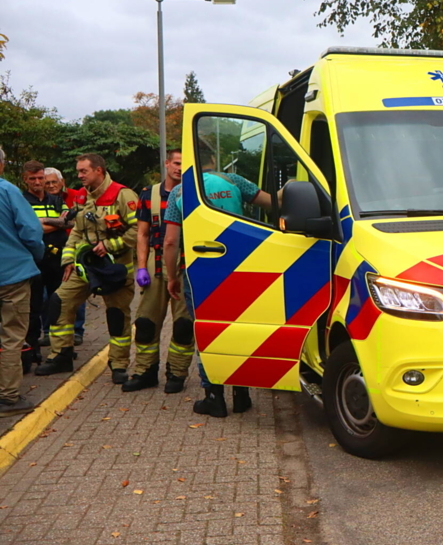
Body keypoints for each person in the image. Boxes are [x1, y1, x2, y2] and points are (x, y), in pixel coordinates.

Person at [163, 141, 272, 417]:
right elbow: (273, 203)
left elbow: (170, 242)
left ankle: (214, 398)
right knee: (239, 329)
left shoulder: (180, 191)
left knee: (208, 331)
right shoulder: (234, 181)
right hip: (239, 268)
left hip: (199, 271)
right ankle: (242, 393)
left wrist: (172, 276)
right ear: (213, 157)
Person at [35, 154, 139, 383]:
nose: (79, 175)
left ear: (99, 171)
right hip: (85, 267)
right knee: (60, 301)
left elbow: (137, 231)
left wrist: (110, 245)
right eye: (78, 171)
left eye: (83, 171)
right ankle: (61, 355)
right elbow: (77, 232)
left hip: (115, 268)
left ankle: (119, 365)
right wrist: (68, 261)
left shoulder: (123, 196)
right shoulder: (82, 198)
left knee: (117, 315)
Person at [121, 149, 193, 393]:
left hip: (186, 264)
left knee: (184, 325)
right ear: (167, 163)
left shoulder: (195, 194)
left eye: (184, 164)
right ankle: (145, 371)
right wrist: (141, 267)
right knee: (145, 322)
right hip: (156, 261)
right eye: (176, 163)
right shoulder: (148, 194)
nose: (179, 169)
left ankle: (177, 373)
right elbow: (142, 233)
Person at [0, 147, 45, 416]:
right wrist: (35, 256)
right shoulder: (7, 191)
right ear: (2, 165)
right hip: (12, 275)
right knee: (12, 335)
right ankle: (7, 397)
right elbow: (31, 230)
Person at [20, 161, 68, 373]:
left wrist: (41, 223)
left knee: (58, 306)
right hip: (33, 261)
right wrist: (56, 221)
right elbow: (27, 229)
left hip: (57, 261)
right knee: (32, 308)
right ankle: (32, 349)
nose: (38, 182)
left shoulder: (56, 199)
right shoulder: (21, 201)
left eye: (40, 177)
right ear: (25, 180)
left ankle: (61, 351)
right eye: (33, 179)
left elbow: (71, 222)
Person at [43, 167, 86, 346]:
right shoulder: (41, 200)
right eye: (48, 183)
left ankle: (77, 330)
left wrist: (46, 222)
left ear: (62, 182)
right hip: (48, 253)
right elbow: (33, 225)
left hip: (73, 249)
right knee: (48, 296)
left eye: (54, 182)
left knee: (76, 291)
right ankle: (48, 331)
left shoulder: (76, 196)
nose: (51, 186)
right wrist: (60, 223)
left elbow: (77, 220)